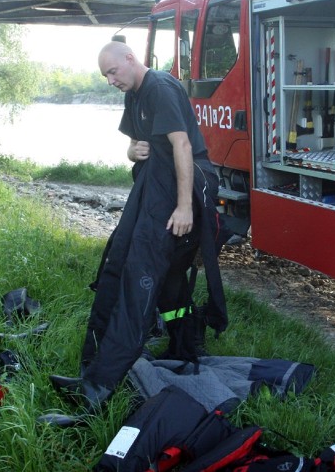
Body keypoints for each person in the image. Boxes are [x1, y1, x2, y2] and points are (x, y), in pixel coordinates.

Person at [45, 41, 227, 426]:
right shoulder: (134, 94)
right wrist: (133, 152)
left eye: (113, 72)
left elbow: (181, 146)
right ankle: (113, 362)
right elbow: (133, 145)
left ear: (130, 59)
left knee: (139, 279)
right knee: (129, 269)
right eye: (105, 76)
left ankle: (99, 387)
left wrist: (183, 207)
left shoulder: (160, 87)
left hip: (182, 189)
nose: (111, 80)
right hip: (152, 186)